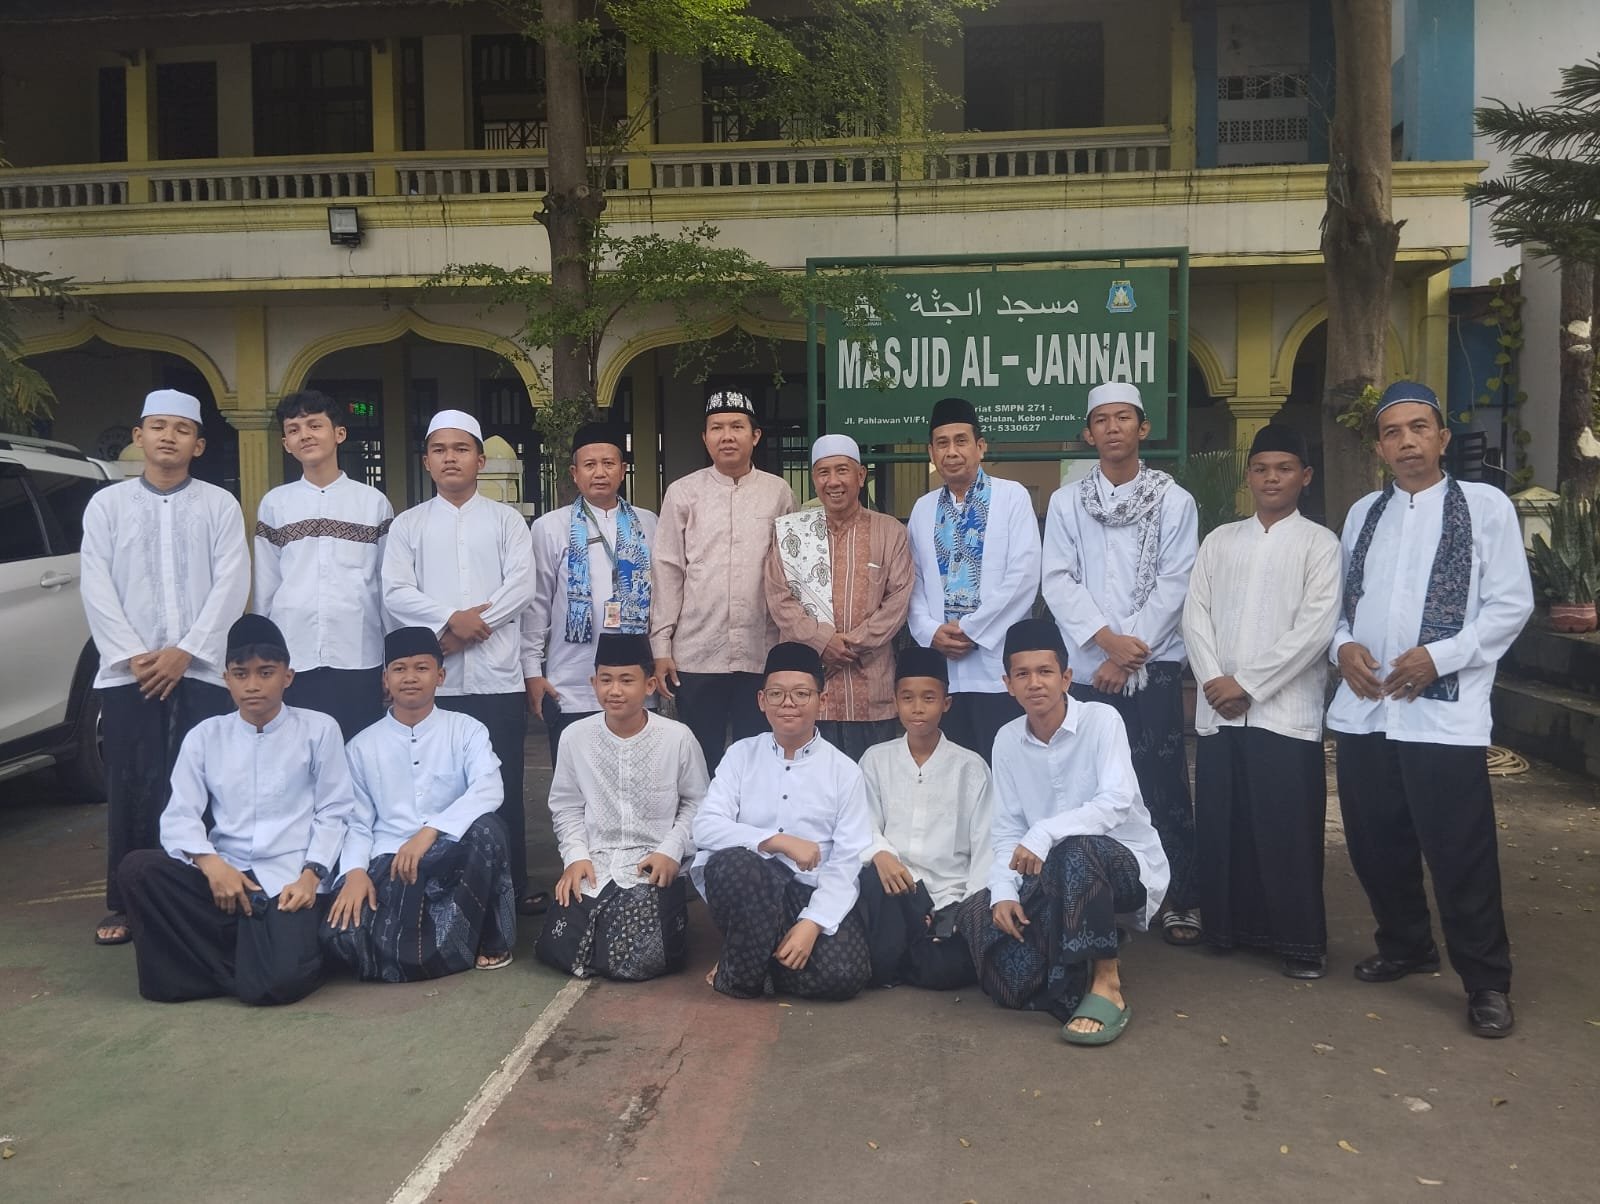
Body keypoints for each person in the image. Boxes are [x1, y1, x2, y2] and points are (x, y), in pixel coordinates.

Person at [1328, 381, 1533, 1039]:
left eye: (1419, 428)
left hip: (1442, 715)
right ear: (1380, 448)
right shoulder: (1364, 512)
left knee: (1459, 853)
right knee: (1375, 842)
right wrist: (1342, 648)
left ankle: (1486, 981)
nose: (1407, 441)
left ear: (1442, 438)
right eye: (1393, 432)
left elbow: (1510, 604)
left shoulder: (1485, 506)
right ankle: (1406, 944)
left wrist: (1440, 658)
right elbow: (1340, 604)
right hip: (1367, 709)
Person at [80, 388, 250, 947]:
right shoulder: (107, 506)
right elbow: (96, 585)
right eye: (158, 427)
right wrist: (134, 654)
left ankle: (201, 892)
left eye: (181, 429)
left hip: (199, 670)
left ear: (198, 444)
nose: (168, 438)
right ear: (139, 436)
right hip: (129, 673)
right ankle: (128, 902)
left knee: (202, 783)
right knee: (132, 783)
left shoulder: (219, 505)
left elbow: (232, 583)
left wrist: (187, 651)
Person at [115, 615, 356, 1006]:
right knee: (138, 870)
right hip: (225, 878)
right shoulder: (205, 736)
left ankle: (240, 962)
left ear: (288, 677)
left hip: (288, 881)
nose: (253, 685)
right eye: (241, 674)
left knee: (277, 985)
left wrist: (311, 877)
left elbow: (335, 811)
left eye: (266, 673)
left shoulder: (319, 730)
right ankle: (252, 959)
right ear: (226, 679)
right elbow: (179, 816)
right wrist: (211, 865)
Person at [954, 618, 1169, 1045]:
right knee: (984, 928)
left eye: (1045, 671)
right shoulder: (1006, 740)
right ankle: (1074, 954)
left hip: (1121, 868)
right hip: (1050, 875)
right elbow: (1008, 828)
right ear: (1008, 684)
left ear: (1066, 678)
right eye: (1022, 674)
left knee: (1077, 849)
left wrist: (1045, 833)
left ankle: (1107, 981)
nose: (1035, 683)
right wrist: (1004, 892)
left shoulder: (1102, 720)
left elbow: (1116, 801)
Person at [1040, 380, 1201, 947]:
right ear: (1089, 434)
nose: (1112, 428)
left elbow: (1176, 581)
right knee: (1091, 787)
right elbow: (1057, 579)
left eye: (1123, 418)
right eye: (1101, 420)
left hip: (1152, 668)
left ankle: (1181, 898)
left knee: (1161, 783)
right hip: (1089, 669)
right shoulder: (1068, 502)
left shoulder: (1174, 501)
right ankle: (1102, 899)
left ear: (1143, 427)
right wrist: (1107, 643)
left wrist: (1129, 654)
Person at [1181, 424, 1342, 978]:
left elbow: (1315, 629)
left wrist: (1247, 684)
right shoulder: (1220, 540)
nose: (1272, 478)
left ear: (1305, 476)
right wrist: (1213, 680)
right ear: (1249, 476)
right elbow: (1194, 615)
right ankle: (1227, 931)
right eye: (1261, 469)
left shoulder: (1320, 544)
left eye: (1284, 469)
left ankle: (1298, 944)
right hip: (1219, 710)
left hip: (1285, 713)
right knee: (1225, 826)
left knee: (1285, 830)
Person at [382, 409, 540, 913]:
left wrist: (467, 629)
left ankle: (509, 893)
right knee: (442, 788)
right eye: (440, 450)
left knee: (503, 788)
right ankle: (447, 892)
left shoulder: (507, 521)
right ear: (426, 461)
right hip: (440, 684)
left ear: (480, 460)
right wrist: (449, 621)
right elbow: (396, 591)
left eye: (461, 449)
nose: (450, 458)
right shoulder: (408, 525)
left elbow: (522, 587)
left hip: (497, 679)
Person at [322, 626, 517, 980]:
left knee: (489, 830)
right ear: (385, 680)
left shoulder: (467, 730)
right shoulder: (361, 747)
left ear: (440, 676)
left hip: (451, 855)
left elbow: (489, 788)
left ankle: (488, 940)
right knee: (342, 936)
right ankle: (452, 946)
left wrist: (430, 832)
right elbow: (357, 823)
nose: (410, 677)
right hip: (390, 860)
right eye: (399, 669)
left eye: (421, 668)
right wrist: (354, 873)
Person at [692, 642, 874, 1001]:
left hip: (808, 889)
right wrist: (776, 841)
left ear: (822, 700)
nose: (788, 703)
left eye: (801, 694)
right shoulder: (740, 755)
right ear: (762, 701)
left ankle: (748, 958)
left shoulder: (845, 771)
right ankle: (743, 977)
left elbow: (848, 859)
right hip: (750, 889)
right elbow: (706, 826)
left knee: (842, 976)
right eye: (776, 694)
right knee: (735, 864)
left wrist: (812, 923)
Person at [535, 632, 708, 981]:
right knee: (559, 947)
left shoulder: (677, 737)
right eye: (606, 680)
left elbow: (698, 802)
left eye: (627, 680)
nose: (614, 690)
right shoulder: (574, 737)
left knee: (636, 959)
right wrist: (575, 857)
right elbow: (566, 806)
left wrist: (671, 851)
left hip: (653, 863)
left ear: (649, 685)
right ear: (593, 683)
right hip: (596, 863)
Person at [650, 390, 796, 772]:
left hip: (761, 651)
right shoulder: (683, 493)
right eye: (717, 428)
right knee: (700, 761)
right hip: (697, 652)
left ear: (755, 436)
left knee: (758, 759)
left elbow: (791, 571)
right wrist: (661, 645)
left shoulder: (778, 492)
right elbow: (668, 569)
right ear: (705, 437)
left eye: (736, 427)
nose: (727, 436)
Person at [906, 396, 1042, 764]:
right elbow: (912, 581)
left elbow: (1024, 576)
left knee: (1003, 769)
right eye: (942, 443)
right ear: (931, 452)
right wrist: (930, 632)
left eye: (961, 441)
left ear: (980, 447)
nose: (951, 452)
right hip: (943, 671)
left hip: (997, 668)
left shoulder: (1011, 497)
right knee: (952, 774)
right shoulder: (923, 508)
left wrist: (971, 629)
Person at [764, 434, 915, 760]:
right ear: (814, 479)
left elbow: (899, 599)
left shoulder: (891, 532)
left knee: (870, 784)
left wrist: (851, 644)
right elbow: (779, 597)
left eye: (842, 470)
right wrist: (822, 642)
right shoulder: (792, 532)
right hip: (809, 694)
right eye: (823, 472)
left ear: (860, 476)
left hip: (872, 691)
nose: (833, 481)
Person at [254, 389, 393, 740]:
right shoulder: (275, 504)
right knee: (298, 752)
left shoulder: (373, 503)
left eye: (315, 425)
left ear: (339, 434)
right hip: (294, 653)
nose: (305, 435)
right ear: (285, 443)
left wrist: (391, 658)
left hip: (358, 652)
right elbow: (266, 587)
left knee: (357, 750)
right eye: (294, 429)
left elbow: (386, 586)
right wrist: (265, 657)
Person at [854, 645, 992, 989]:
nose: (917, 708)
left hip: (948, 894)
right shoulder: (876, 759)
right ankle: (900, 953)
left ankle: (905, 954)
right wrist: (880, 853)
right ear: (895, 702)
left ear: (946, 703)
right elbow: (861, 821)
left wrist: (966, 909)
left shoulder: (970, 767)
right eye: (908, 698)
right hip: (894, 889)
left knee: (945, 971)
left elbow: (986, 845)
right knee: (871, 885)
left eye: (929, 698)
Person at [522, 422, 657, 764]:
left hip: (635, 677)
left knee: (635, 775)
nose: (600, 473)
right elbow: (537, 604)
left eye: (609, 464)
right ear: (574, 473)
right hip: (571, 680)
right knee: (576, 778)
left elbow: (663, 598)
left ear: (623, 470)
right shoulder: (550, 527)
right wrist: (532, 671)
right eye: (590, 465)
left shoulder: (648, 523)